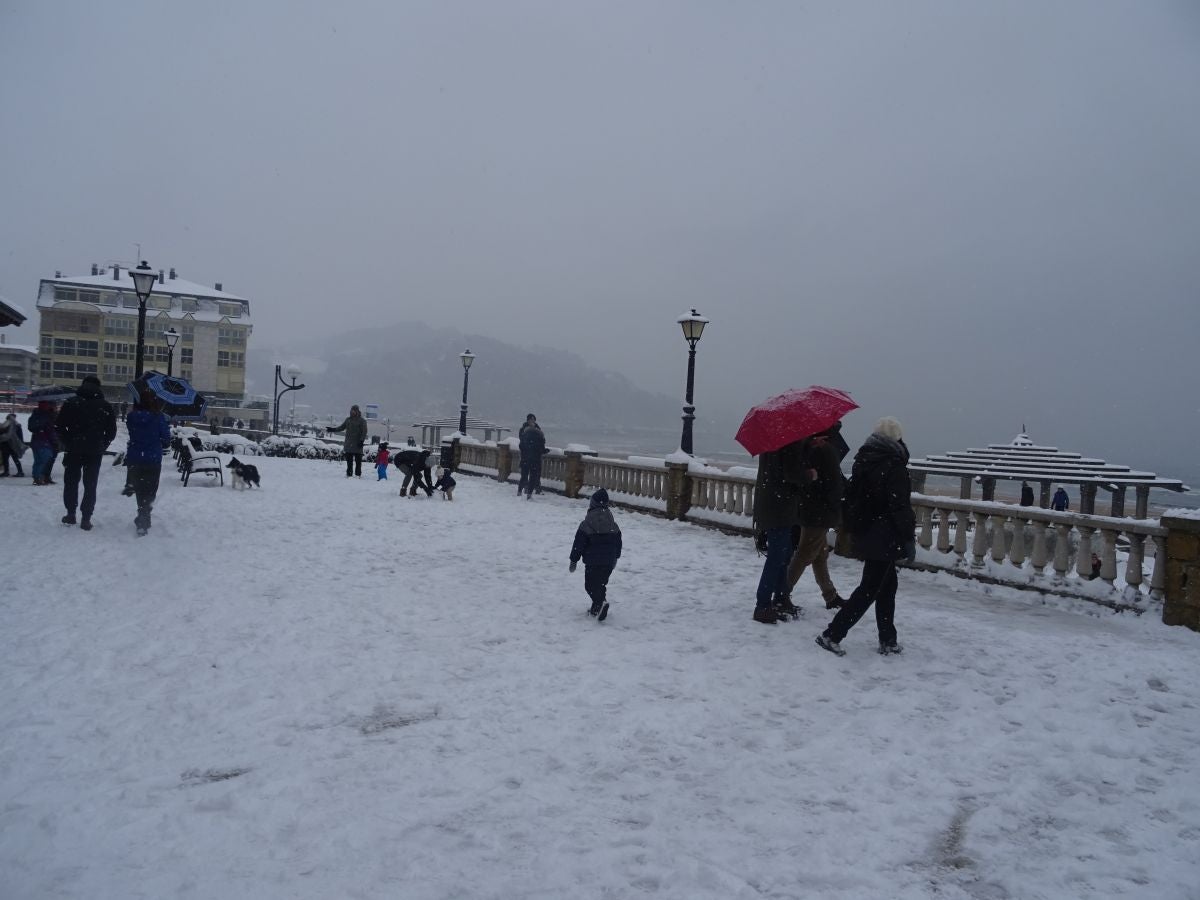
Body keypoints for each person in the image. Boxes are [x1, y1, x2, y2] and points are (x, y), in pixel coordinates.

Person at [816, 417, 915, 656]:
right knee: (869, 589)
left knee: (887, 586)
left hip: (868, 531)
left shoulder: (865, 459)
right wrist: (908, 538)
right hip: (885, 535)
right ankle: (832, 634)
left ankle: (888, 639)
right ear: (898, 439)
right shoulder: (895, 466)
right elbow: (899, 506)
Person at [782, 423, 848, 613]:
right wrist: (836, 501)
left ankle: (830, 595)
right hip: (819, 510)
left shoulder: (812, 445)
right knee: (804, 554)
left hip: (812, 508)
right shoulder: (823, 448)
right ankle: (782, 592)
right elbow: (831, 482)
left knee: (820, 554)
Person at [751, 439, 808, 624]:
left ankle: (781, 598)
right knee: (778, 557)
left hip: (770, 504)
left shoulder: (773, 442)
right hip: (780, 508)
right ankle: (763, 605)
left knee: (783, 554)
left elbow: (779, 471)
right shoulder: (790, 443)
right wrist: (810, 475)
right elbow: (792, 474)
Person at [55, 375, 117, 530]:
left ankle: (70, 513)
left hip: (73, 449)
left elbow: (60, 426)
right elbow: (111, 431)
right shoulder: (105, 405)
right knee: (90, 484)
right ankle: (86, 518)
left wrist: (68, 441)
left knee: (71, 482)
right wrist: (103, 444)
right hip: (94, 450)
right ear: (98, 387)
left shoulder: (71, 403)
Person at [569, 488, 623, 621]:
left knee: (590, 585)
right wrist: (616, 557)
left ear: (592, 504)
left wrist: (573, 560)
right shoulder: (613, 524)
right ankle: (596, 608)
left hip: (593, 561)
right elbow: (618, 541)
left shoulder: (586, 524)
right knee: (600, 584)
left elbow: (578, 544)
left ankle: (600, 602)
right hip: (608, 561)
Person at [125, 391, 172, 536]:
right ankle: (144, 517)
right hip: (152, 459)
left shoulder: (131, 417)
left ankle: (142, 514)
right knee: (150, 489)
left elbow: (132, 433)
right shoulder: (158, 417)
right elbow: (166, 438)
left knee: (140, 489)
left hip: (135, 457)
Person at [328, 405, 368, 477]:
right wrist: (332, 429)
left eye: (354, 410)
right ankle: (349, 474)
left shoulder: (362, 421)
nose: (352, 412)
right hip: (348, 444)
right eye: (351, 410)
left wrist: (361, 441)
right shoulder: (348, 420)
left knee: (358, 461)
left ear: (357, 411)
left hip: (358, 444)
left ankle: (358, 475)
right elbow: (341, 427)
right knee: (349, 462)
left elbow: (364, 432)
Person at [28, 401, 60, 485]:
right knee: (44, 461)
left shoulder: (35, 415)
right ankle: (40, 477)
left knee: (38, 461)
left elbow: (31, 428)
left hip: (36, 441)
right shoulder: (48, 417)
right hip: (46, 442)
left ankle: (38, 477)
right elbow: (51, 431)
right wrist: (55, 441)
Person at [517, 414, 546, 499]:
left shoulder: (538, 430)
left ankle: (532, 491)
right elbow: (522, 443)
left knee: (534, 475)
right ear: (527, 420)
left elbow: (542, 443)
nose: (532, 421)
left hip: (535, 457)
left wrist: (541, 449)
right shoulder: (523, 429)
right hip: (527, 457)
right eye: (530, 419)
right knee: (525, 475)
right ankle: (522, 490)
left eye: (533, 419)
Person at [0, 412, 27, 477]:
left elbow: (3, 432)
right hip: (13, 444)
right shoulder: (17, 425)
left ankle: (7, 472)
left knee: (6, 458)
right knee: (14, 459)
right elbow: (20, 436)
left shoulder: (7, 424)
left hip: (6, 444)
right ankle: (20, 471)